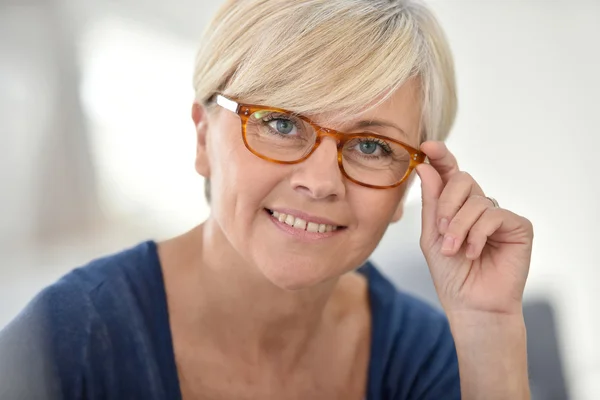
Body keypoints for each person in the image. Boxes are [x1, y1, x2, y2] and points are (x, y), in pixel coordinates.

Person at [0, 0, 534, 399]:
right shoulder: (66, 342)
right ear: (203, 138)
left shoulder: (422, 356)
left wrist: (489, 327)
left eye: (372, 145)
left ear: (407, 188)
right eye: (280, 122)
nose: (321, 181)